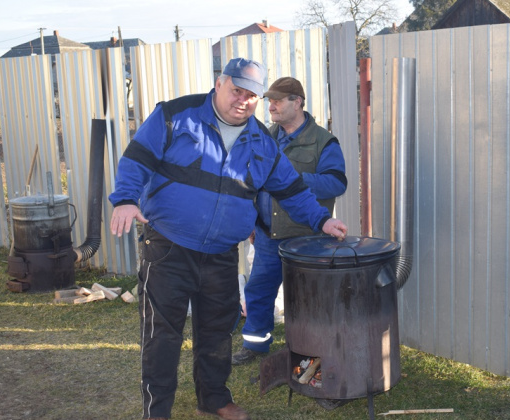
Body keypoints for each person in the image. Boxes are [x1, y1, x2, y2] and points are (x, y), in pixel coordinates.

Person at [108, 58, 348, 420]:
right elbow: (137, 159)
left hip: (221, 254)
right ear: (219, 83)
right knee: (162, 335)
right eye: (237, 89)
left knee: (217, 332)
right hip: (169, 248)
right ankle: (156, 411)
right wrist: (125, 198)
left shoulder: (263, 142)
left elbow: (293, 190)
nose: (244, 100)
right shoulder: (175, 115)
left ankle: (214, 398)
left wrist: (322, 220)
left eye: (252, 95)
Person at [232, 77, 348, 365]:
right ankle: (255, 345)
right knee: (258, 290)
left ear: (297, 102)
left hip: (307, 238)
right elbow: (249, 183)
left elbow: (335, 184)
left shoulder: (323, 141)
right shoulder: (264, 138)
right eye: (269, 100)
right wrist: (251, 222)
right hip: (268, 235)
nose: (271, 106)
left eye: (278, 100)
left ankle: (312, 349)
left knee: (310, 299)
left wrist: (291, 180)